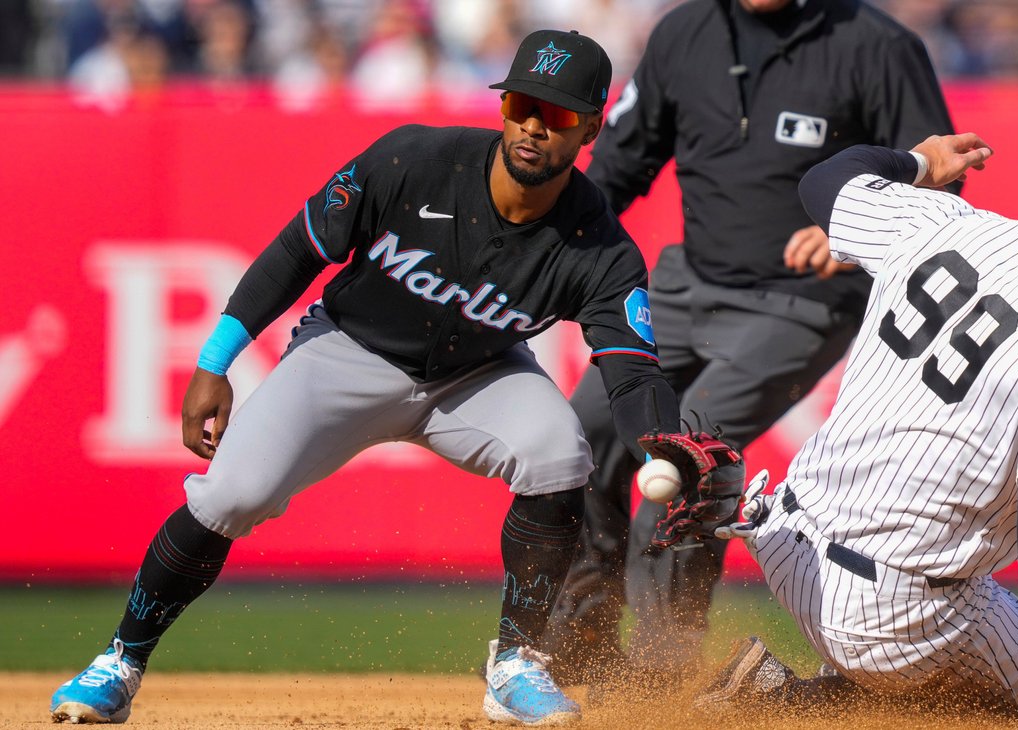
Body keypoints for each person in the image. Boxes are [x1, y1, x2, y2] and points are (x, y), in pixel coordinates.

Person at [49, 29, 684, 727]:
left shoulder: (601, 249)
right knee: (230, 493)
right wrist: (214, 359)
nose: (534, 125)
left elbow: (630, 371)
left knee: (559, 451)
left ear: (592, 125)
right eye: (523, 104)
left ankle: (516, 663)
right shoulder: (413, 160)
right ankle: (120, 660)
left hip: (477, 373)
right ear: (502, 105)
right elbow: (299, 249)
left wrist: (659, 443)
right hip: (348, 350)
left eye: (558, 114)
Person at [696, 100, 1018, 726]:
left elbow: (823, 182)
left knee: (953, 621)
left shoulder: (941, 221)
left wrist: (919, 161)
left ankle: (797, 691)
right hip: (889, 617)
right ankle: (790, 703)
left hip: (784, 541)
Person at [540, 0, 959, 682]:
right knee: (578, 436)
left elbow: (941, 178)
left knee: (688, 454)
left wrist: (851, 234)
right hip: (686, 285)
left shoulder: (877, 45)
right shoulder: (683, 32)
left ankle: (659, 681)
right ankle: (579, 642)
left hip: (805, 300)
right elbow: (617, 167)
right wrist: (540, 245)